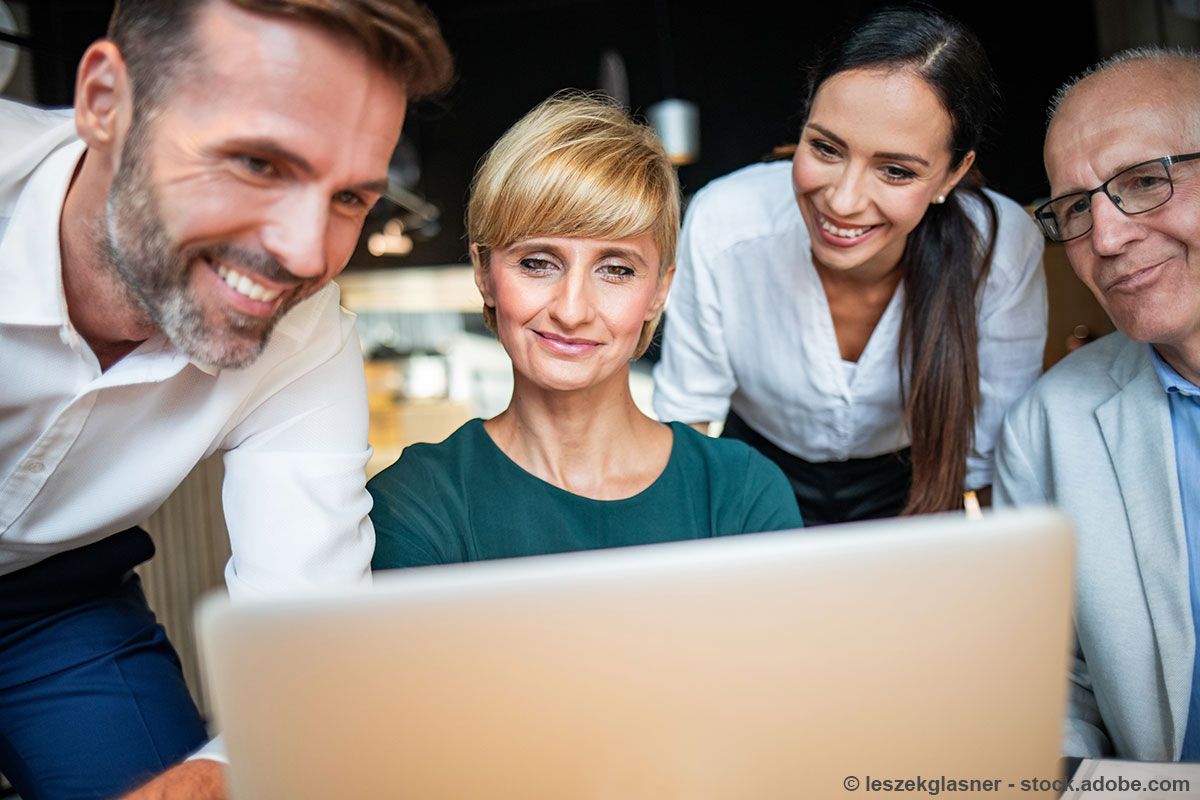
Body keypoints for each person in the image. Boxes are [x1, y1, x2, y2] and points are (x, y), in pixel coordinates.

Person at [0, 0, 452, 797]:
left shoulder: (306, 338)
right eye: (259, 164)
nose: (305, 253)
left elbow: (307, 660)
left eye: (350, 198)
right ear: (106, 103)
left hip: (55, 598)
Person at [369, 93, 802, 570]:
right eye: (537, 263)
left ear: (660, 290)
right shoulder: (415, 501)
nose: (572, 311)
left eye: (616, 270)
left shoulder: (741, 491)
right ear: (484, 273)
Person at [652, 6, 1047, 525]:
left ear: (953, 175)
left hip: (915, 491)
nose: (841, 201)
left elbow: (991, 469)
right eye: (826, 148)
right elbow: (690, 420)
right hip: (750, 478)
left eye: (896, 171)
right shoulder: (725, 222)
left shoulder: (999, 248)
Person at [995, 48, 1200, 762]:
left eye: (1146, 181)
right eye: (1077, 208)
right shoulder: (1047, 425)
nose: (1107, 239)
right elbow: (1049, 689)